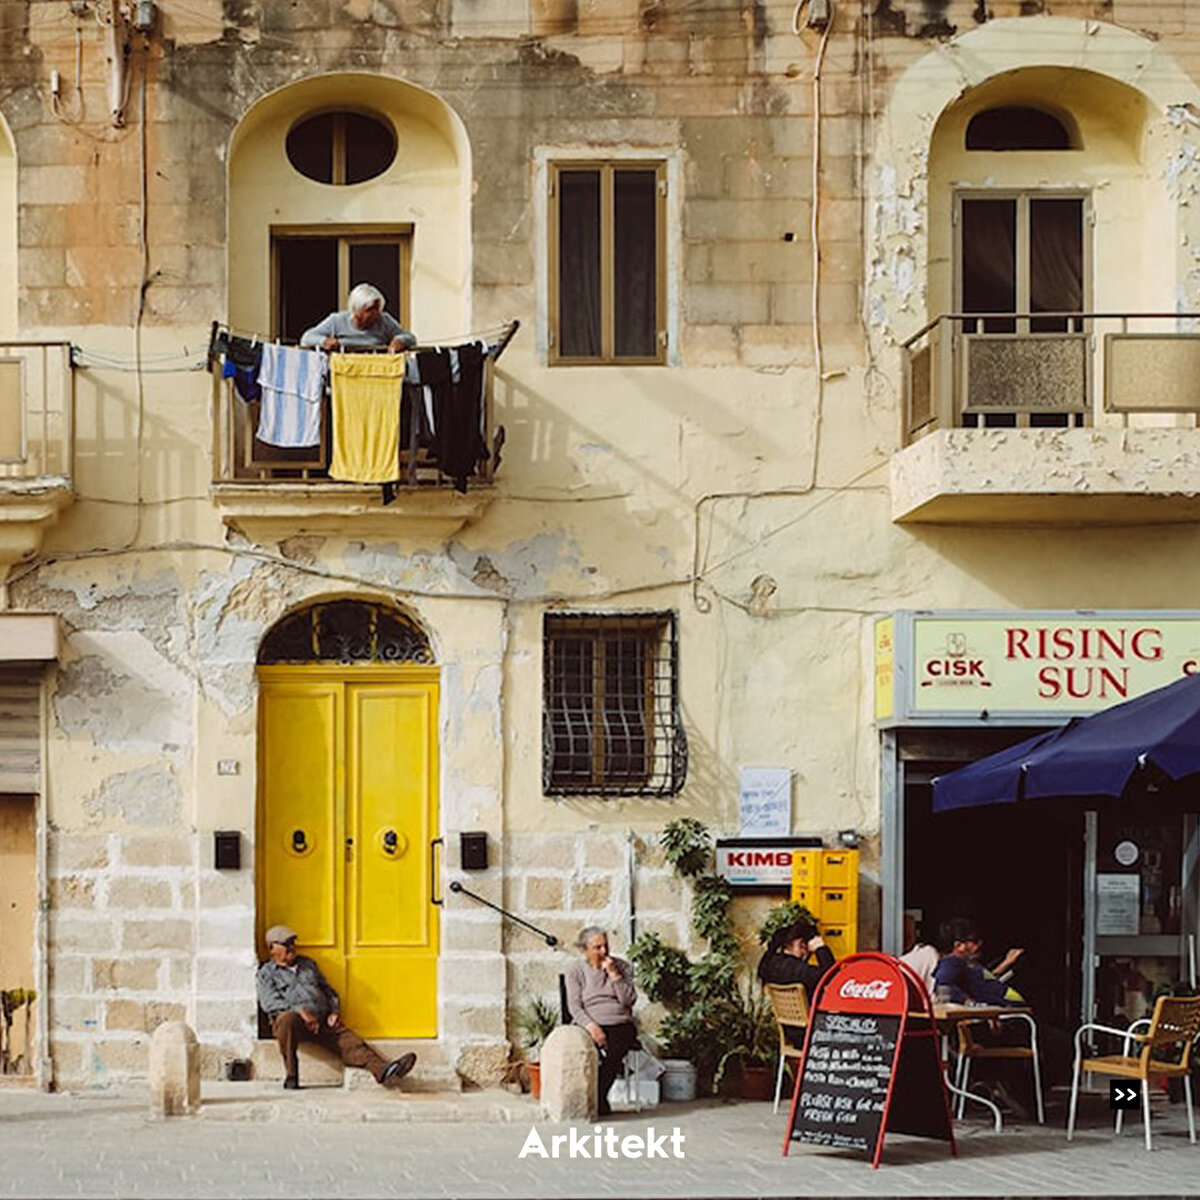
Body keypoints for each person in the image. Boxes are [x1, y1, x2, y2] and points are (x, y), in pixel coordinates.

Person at [256, 925, 417, 1090]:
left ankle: (384, 1070)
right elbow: (270, 1002)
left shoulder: (308, 964)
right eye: (286, 944)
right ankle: (292, 1076)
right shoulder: (266, 973)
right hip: (295, 1024)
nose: (291, 947)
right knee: (286, 1019)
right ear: (272, 948)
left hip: (321, 1019)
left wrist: (334, 1011)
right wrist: (301, 1012)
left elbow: (328, 991)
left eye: (292, 943)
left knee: (350, 1041)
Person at [563, 926, 638, 1117]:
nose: (604, 951)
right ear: (584, 950)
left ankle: (597, 1096)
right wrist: (591, 1026)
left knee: (617, 1046)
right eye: (597, 947)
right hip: (590, 1022)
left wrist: (614, 975)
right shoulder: (575, 971)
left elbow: (628, 1001)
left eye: (606, 946)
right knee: (590, 1050)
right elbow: (574, 1006)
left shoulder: (622, 967)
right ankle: (596, 1099)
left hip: (619, 1022)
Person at [298, 283, 417, 353]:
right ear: (357, 310)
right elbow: (307, 338)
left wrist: (400, 340)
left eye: (378, 309)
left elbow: (410, 338)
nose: (376, 313)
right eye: (370, 310)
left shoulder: (384, 320)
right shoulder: (336, 321)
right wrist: (324, 341)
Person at [933, 917, 1025, 1006]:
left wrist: (1007, 962)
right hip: (1002, 1013)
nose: (980, 944)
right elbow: (944, 987)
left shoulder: (970, 966)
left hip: (1012, 1009)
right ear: (959, 945)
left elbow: (986, 982)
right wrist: (972, 1005)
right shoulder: (951, 962)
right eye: (975, 941)